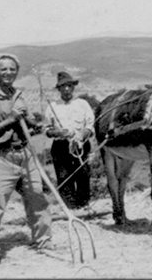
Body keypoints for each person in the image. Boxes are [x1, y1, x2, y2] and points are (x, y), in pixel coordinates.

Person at [0, 53, 53, 266]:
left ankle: (43, 240)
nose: (9, 73)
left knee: (38, 198)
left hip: (25, 155)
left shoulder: (18, 95)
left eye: (12, 69)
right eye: (4, 69)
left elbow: (25, 120)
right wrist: (10, 120)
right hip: (1, 158)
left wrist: (40, 126)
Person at [44, 71, 95, 209]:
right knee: (64, 177)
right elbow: (46, 130)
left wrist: (80, 136)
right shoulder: (52, 107)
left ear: (73, 87)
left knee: (83, 175)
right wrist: (57, 132)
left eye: (69, 85)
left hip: (81, 146)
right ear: (59, 89)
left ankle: (84, 207)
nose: (66, 89)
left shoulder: (83, 104)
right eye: (63, 86)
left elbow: (90, 126)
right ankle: (69, 209)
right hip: (60, 147)